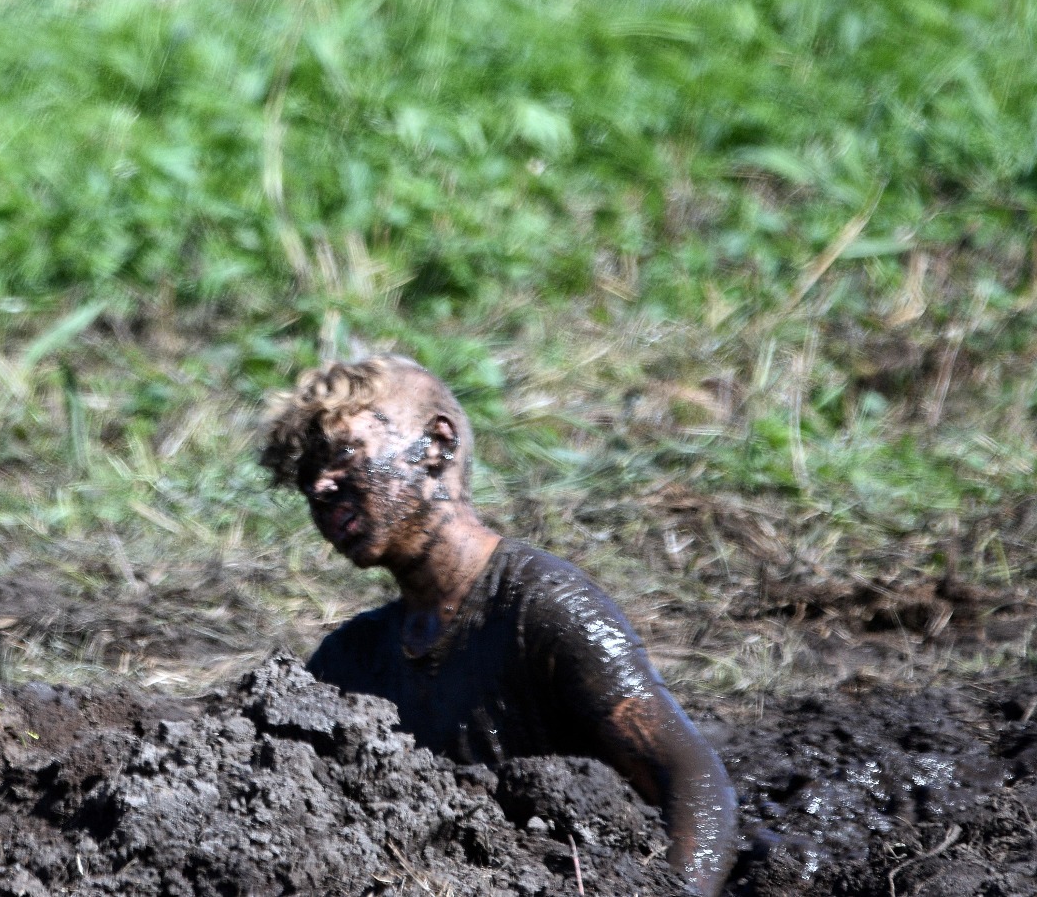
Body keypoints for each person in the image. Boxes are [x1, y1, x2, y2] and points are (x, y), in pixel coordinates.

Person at [262, 356, 737, 896]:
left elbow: (695, 782)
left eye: (343, 454)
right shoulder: (348, 662)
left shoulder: (543, 605)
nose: (320, 487)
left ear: (436, 444)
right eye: (306, 475)